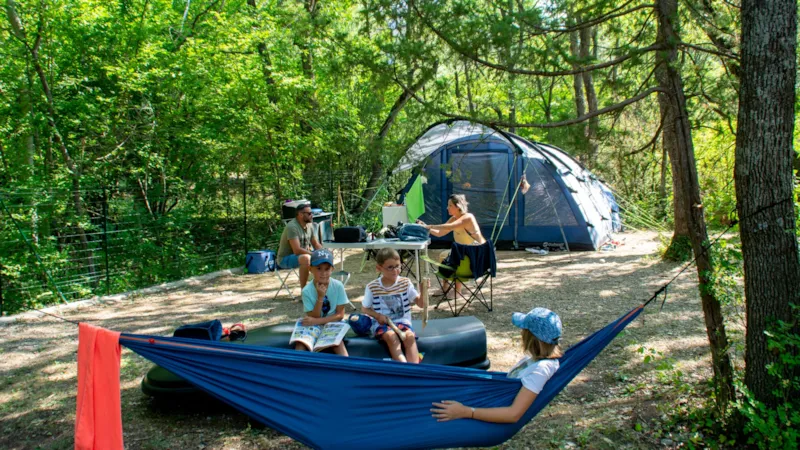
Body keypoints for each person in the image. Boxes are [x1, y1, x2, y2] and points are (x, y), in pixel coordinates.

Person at [431, 307, 562, 423]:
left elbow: (513, 415)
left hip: (490, 410)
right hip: (489, 399)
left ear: (531, 338)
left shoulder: (541, 369)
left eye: (524, 330)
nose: (521, 333)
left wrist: (466, 412)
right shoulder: (533, 360)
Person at [361, 248, 424, 363]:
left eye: (398, 266)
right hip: (382, 324)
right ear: (379, 268)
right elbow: (365, 308)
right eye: (390, 267)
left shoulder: (405, 283)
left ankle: (414, 369)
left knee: (409, 337)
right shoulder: (372, 287)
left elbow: (421, 304)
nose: (395, 271)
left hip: (402, 321)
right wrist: (377, 315)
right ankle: (404, 368)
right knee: (391, 337)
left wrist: (424, 291)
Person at [416, 194, 486, 295]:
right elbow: (440, 233)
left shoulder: (468, 217)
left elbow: (447, 226)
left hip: (478, 254)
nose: (447, 208)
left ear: (458, 207)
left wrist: (428, 226)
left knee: (456, 257)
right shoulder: (454, 218)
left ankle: (457, 291)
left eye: (450, 205)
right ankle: (445, 286)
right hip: (464, 252)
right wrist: (425, 227)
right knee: (443, 255)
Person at [296, 249, 349, 356]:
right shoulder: (307, 290)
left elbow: (340, 315)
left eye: (327, 269)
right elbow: (313, 316)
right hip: (315, 324)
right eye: (319, 269)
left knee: (337, 343)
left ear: (332, 269)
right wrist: (320, 297)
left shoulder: (338, 286)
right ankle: (297, 369)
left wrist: (318, 321)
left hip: (333, 323)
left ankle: (348, 368)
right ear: (310, 269)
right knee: (301, 344)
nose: (323, 273)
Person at [277, 203, 323, 289]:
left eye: (312, 213)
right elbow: (297, 250)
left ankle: (320, 288)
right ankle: (304, 291)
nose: (312, 215)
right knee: (306, 258)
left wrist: (324, 253)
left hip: (303, 256)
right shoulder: (292, 227)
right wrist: (313, 254)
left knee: (322, 257)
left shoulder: (310, 225)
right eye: (309, 213)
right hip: (285, 259)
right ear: (301, 214)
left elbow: (316, 244)